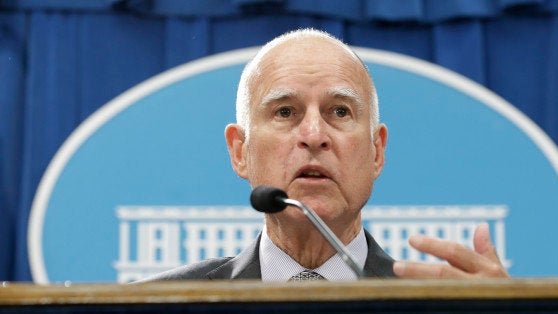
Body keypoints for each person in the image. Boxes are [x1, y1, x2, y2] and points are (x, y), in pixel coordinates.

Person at [140, 28, 509, 282]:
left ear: (377, 151)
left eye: (340, 112)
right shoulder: (155, 306)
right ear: (240, 152)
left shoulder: (447, 308)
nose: (314, 136)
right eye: (285, 112)